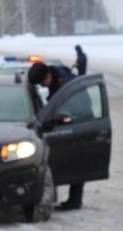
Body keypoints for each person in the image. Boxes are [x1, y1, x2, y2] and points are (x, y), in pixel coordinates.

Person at [27, 61, 85, 211]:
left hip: (76, 123)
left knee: (77, 163)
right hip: (67, 122)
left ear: (48, 75)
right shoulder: (57, 78)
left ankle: (75, 200)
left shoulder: (65, 84)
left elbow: (78, 105)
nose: (43, 86)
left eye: (42, 83)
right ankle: (68, 198)